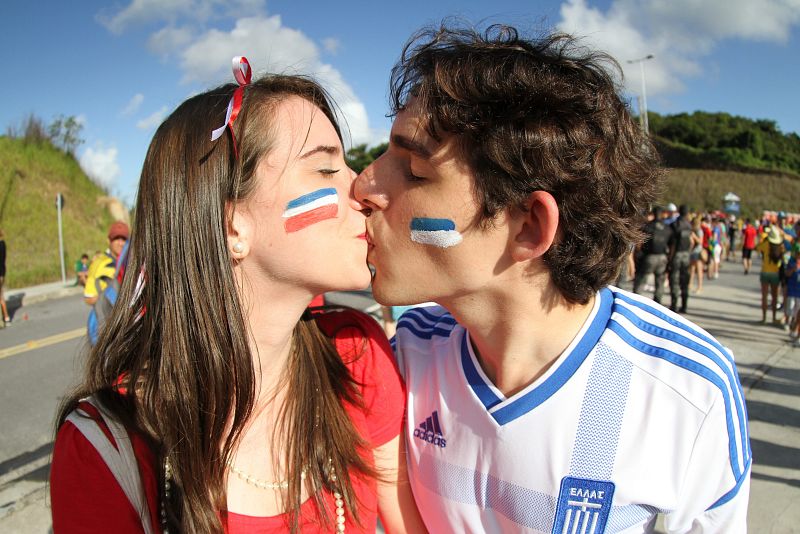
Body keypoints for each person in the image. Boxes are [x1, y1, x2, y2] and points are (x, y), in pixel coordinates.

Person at [355, 23, 750, 533]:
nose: (362, 183)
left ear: (530, 225)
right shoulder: (407, 353)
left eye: (413, 169)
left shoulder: (685, 391)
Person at [51, 65, 424, 533]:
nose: (364, 188)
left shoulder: (356, 356)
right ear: (232, 227)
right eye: (326, 168)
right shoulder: (107, 446)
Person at [633, 206, 672, 305]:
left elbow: (639, 243)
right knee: (660, 281)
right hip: (662, 257)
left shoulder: (648, 226)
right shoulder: (667, 228)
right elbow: (671, 244)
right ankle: (658, 302)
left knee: (641, 279)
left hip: (649, 257)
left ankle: (636, 301)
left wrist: (638, 254)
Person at [83, 221, 129, 306]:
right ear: (108, 241)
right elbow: (88, 297)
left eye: (124, 239)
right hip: (108, 317)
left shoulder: (130, 261)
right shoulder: (99, 263)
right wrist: (110, 297)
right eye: (116, 238)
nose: (121, 243)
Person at [756, 225, 786, 324]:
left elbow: (757, 248)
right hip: (775, 273)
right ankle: (773, 318)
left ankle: (764, 318)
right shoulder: (780, 246)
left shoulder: (765, 244)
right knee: (774, 297)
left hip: (765, 272)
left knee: (764, 296)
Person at [668, 205, 694, 313]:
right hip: (686, 255)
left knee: (674, 279)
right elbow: (692, 242)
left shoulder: (675, 224)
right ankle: (684, 305)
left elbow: (672, 244)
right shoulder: (689, 226)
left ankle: (674, 305)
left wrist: (670, 258)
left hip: (676, 254)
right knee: (685, 280)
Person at [0, 229, 9, 324]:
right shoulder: (3, 244)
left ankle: (3, 319)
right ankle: (6, 317)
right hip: (2, 272)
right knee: (1, 295)